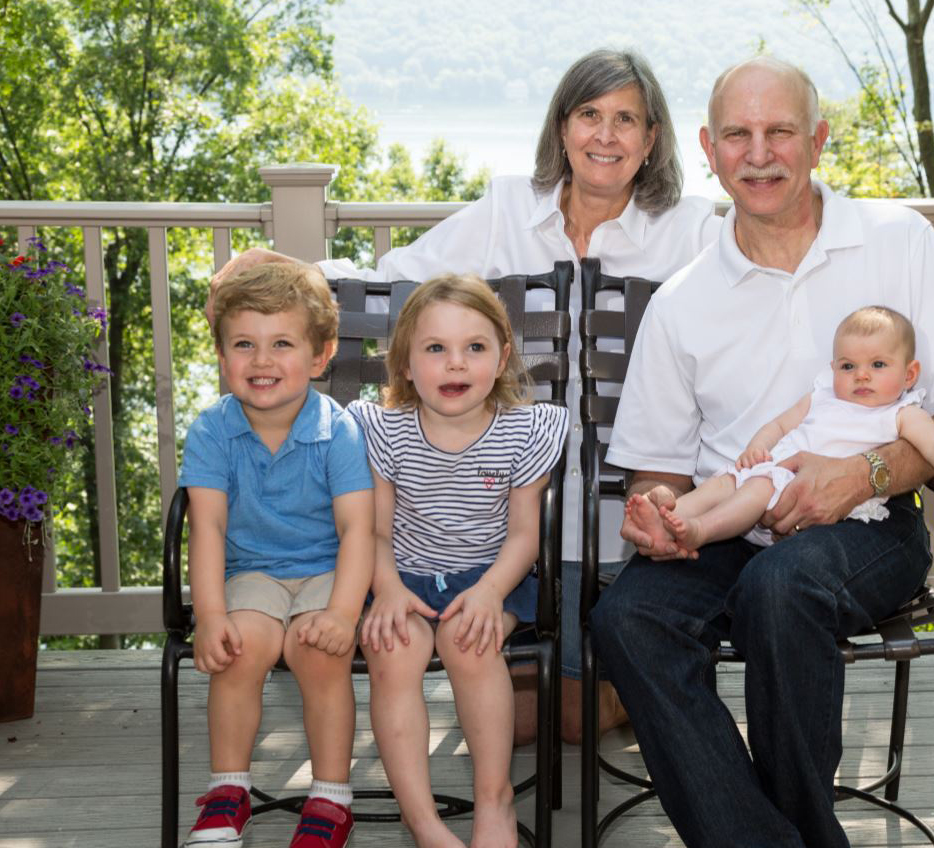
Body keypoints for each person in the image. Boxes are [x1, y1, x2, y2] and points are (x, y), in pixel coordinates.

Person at [208, 48, 719, 744]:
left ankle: (615, 687)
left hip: (633, 523)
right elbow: (396, 282)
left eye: (627, 119)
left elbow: (749, 311)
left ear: (652, 137)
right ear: (562, 127)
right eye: (589, 115)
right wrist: (297, 272)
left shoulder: (690, 229)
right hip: (510, 528)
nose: (606, 135)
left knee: (563, 711)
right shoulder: (511, 208)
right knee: (532, 716)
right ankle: (603, 692)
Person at [591, 56, 934, 848]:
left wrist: (865, 473)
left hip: (872, 519)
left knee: (781, 589)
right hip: (728, 519)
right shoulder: (683, 300)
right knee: (627, 619)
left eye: (780, 131)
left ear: (816, 139)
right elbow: (661, 472)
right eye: (738, 135)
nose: (760, 153)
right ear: (709, 149)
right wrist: (659, 516)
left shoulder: (897, 241)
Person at [349, 274, 569, 848]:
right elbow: (372, 530)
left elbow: (525, 535)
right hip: (401, 576)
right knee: (393, 652)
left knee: (469, 646)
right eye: (435, 349)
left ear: (500, 360)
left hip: (492, 574)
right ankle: (422, 820)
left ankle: (493, 799)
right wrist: (390, 589)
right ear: (405, 364)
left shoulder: (524, 431)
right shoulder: (384, 431)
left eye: (474, 347)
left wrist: (492, 591)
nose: (455, 365)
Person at [178, 263, 374, 848]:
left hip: (327, 572)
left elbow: (358, 530)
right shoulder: (211, 432)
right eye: (244, 344)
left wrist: (342, 614)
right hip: (252, 574)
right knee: (240, 650)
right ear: (222, 355)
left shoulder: (338, 431)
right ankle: (228, 791)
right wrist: (211, 617)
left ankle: (331, 798)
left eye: (281, 344)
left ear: (320, 356)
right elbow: (207, 528)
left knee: (316, 652)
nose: (261, 361)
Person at [627, 305, 934, 556]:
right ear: (833, 369)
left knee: (756, 487)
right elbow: (781, 424)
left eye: (877, 365)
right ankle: (669, 516)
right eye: (848, 365)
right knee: (726, 481)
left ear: (909, 374)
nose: (861, 375)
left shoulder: (901, 413)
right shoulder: (823, 394)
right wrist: (756, 448)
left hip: (813, 497)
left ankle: (700, 532)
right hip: (776, 469)